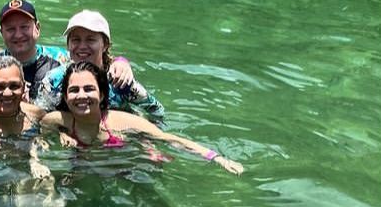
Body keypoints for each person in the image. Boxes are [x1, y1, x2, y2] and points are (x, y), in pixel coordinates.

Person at [40, 61, 244, 174]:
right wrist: (43, 155)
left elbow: (170, 139)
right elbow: (39, 139)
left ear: (102, 95)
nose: (81, 96)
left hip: (128, 170)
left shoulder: (122, 122)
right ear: (65, 97)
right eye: (74, 90)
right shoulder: (57, 120)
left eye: (89, 89)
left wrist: (216, 158)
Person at [0, 0, 138, 105]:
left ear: (37, 28)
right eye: (11, 29)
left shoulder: (60, 57)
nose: (18, 35)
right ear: (1, 33)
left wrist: (121, 62)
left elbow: (91, 60)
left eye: (24, 27)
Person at [35, 10, 164, 120]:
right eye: (76, 40)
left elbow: (157, 112)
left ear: (105, 44)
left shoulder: (119, 81)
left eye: (90, 39)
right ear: (68, 45)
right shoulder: (54, 80)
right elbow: (39, 116)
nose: (82, 46)